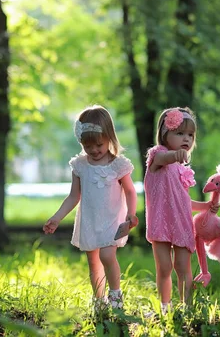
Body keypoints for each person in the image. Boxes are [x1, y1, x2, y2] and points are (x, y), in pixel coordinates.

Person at [43, 105, 139, 309]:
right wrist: (57, 217)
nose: (94, 150)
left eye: (99, 145)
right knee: (94, 262)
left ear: (109, 137)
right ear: (81, 143)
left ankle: (115, 297)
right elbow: (73, 196)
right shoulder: (80, 165)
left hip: (112, 219)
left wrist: (131, 214)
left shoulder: (117, 165)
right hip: (89, 220)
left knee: (107, 256)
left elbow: (130, 191)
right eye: (88, 146)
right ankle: (99, 300)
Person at [144, 106, 219, 313]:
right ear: (164, 133)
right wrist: (175, 155)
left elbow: (183, 200)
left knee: (183, 267)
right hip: (160, 223)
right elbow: (163, 159)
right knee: (165, 267)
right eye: (180, 133)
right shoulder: (157, 156)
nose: (186, 138)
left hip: (182, 224)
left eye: (190, 135)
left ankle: (187, 308)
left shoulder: (182, 168)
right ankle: (165, 306)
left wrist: (206, 206)